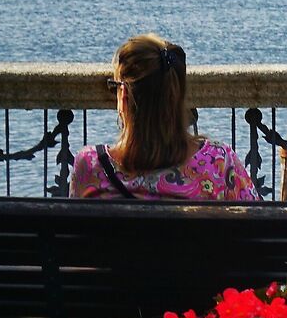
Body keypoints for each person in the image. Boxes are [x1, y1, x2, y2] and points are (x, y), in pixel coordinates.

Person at [67, 34, 258, 201]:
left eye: (114, 87)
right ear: (177, 96)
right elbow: (257, 221)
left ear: (123, 95)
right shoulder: (217, 163)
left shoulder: (89, 166)